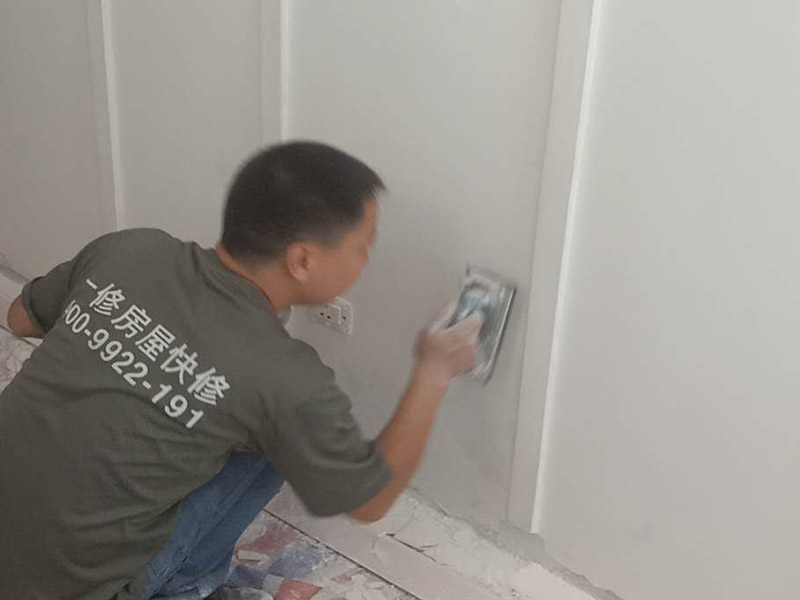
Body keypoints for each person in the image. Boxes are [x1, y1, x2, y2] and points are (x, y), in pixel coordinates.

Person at [0, 141, 482, 600]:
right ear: (302, 260)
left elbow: (19, 318)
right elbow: (370, 501)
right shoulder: (284, 376)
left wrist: (120, 356)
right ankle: (183, 586)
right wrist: (433, 372)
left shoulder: (130, 249)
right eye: (362, 247)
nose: (366, 260)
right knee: (273, 438)